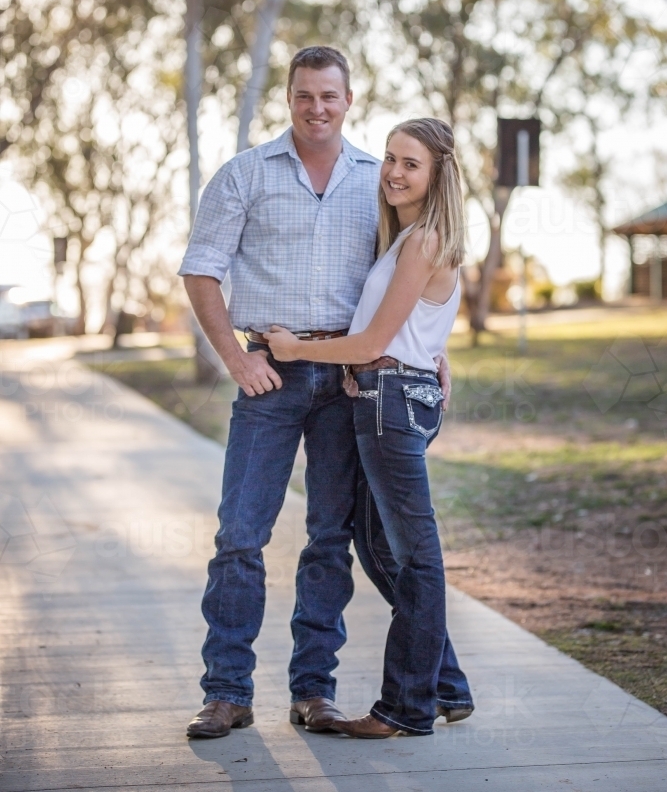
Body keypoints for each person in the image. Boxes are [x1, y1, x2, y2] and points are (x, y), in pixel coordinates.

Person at [179, 47, 472, 739]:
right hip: (271, 374)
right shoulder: (244, 175)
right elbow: (200, 271)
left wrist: (434, 348)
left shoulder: (381, 180)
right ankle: (226, 692)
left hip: (350, 381)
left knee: (328, 539)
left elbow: (407, 288)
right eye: (305, 94)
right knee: (239, 535)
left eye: (329, 96)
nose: (317, 107)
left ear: (348, 100)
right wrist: (236, 360)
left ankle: (313, 691)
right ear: (289, 97)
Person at [267, 117, 468, 737]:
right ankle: (446, 684)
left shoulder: (423, 240)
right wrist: (429, 357)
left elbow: (377, 338)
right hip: (391, 395)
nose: (393, 172)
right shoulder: (408, 239)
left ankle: (405, 709)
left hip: (391, 403)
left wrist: (295, 350)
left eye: (411, 163)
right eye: (389, 158)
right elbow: (413, 329)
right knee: (381, 549)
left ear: (437, 176)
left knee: (415, 557)